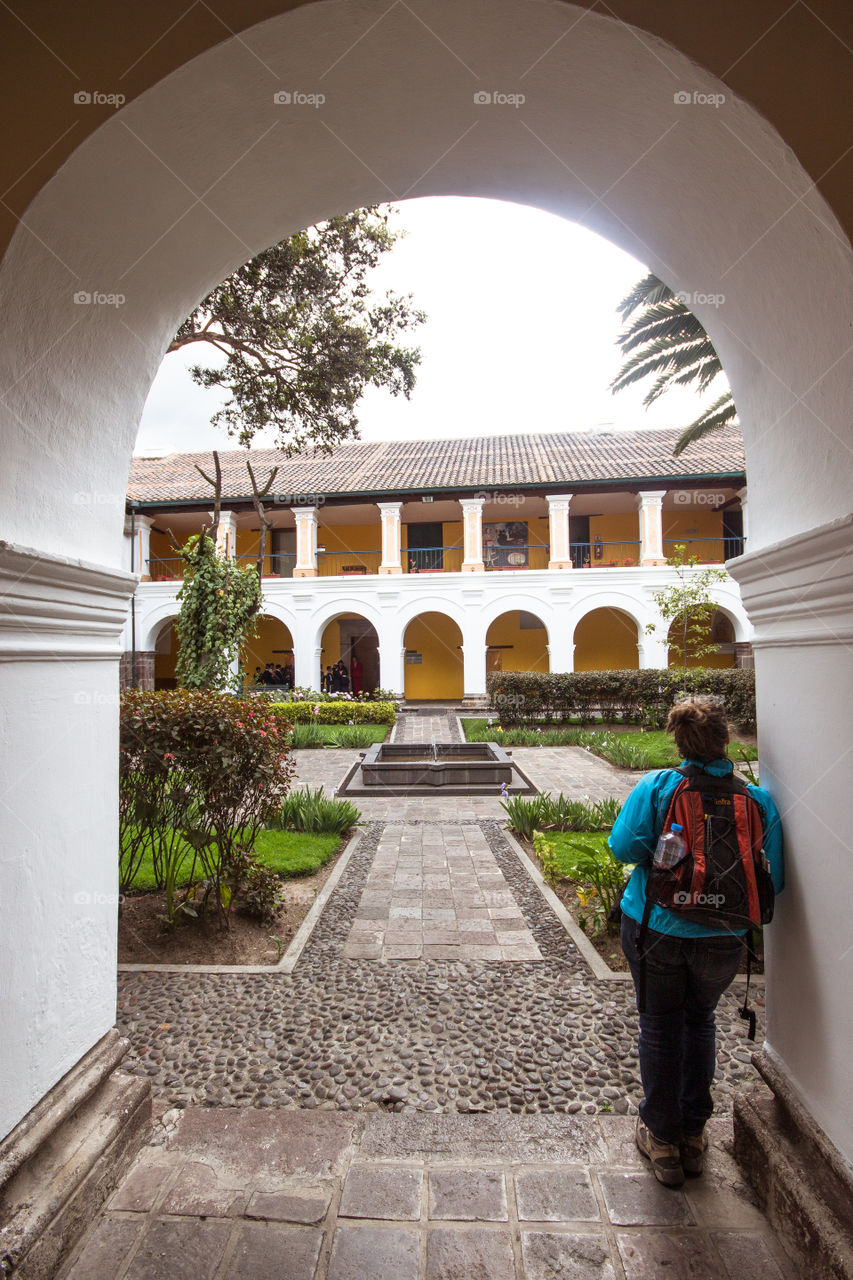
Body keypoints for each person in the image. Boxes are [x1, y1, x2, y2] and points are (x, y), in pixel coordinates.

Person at [609, 696, 783, 1188]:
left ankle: (661, 1137)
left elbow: (623, 847)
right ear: (726, 739)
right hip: (724, 936)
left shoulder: (661, 786)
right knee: (700, 1021)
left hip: (658, 927)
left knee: (660, 1026)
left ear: (678, 740)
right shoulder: (757, 800)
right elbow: (776, 881)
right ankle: (692, 1134)